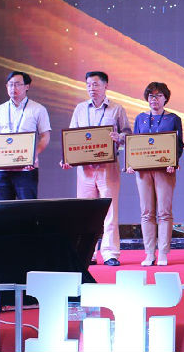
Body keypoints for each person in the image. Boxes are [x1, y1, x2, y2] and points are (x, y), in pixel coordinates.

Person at [64, 70, 131, 266]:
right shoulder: (80, 109)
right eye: (88, 85)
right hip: (85, 169)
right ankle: (87, 253)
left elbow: (128, 134)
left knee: (109, 211)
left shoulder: (117, 109)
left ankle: (110, 254)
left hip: (108, 166)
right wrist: (67, 157)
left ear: (105, 86)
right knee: (86, 212)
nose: (91, 88)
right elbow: (71, 137)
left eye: (95, 84)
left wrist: (119, 137)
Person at [128, 82, 184, 266]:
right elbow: (134, 143)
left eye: (159, 95)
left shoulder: (173, 118)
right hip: (143, 171)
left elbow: (179, 144)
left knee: (164, 212)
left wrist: (173, 162)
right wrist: (131, 163)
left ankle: (163, 253)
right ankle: (149, 253)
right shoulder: (140, 118)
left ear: (165, 98)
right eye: (151, 96)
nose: (154, 99)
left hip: (165, 170)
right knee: (146, 212)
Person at [0, 71, 52, 200]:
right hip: (2, 170)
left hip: (26, 169)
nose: (13, 88)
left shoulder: (38, 109)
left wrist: (33, 154)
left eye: (18, 84)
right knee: (2, 208)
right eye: (10, 84)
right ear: (6, 86)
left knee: (27, 208)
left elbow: (45, 136)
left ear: (27, 86)